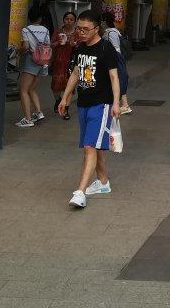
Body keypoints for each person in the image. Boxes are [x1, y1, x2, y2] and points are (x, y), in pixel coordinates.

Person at [58, 11, 121, 209]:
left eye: (86, 29)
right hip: (83, 104)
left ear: (96, 29)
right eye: (79, 29)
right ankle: (103, 182)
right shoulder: (81, 47)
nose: (81, 32)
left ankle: (80, 192)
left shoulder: (106, 48)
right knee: (96, 146)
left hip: (101, 105)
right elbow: (76, 73)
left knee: (89, 147)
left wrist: (117, 102)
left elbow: (114, 77)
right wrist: (65, 97)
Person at [16, 6, 50, 128]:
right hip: (43, 62)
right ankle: (38, 113)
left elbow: (25, 47)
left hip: (31, 61)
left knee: (23, 90)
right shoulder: (45, 30)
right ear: (40, 18)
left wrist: (18, 50)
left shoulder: (26, 30)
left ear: (29, 17)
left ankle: (28, 119)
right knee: (32, 89)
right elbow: (48, 45)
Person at [101, 12, 131, 115]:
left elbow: (116, 48)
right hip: (116, 59)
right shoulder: (111, 32)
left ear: (105, 21)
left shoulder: (111, 33)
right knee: (118, 80)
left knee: (118, 80)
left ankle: (123, 105)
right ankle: (125, 105)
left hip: (116, 60)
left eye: (101, 21)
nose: (100, 23)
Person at [50, 11, 78, 120]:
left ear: (74, 21)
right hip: (58, 62)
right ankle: (58, 100)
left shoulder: (76, 33)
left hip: (71, 63)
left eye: (71, 19)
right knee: (55, 86)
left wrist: (74, 45)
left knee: (69, 86)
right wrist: (59, 42)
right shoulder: (58, 32)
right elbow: (51, 45)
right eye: (67, 19)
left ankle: (66, 109)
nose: (69, 21)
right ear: (63, 20)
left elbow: (81, 46)